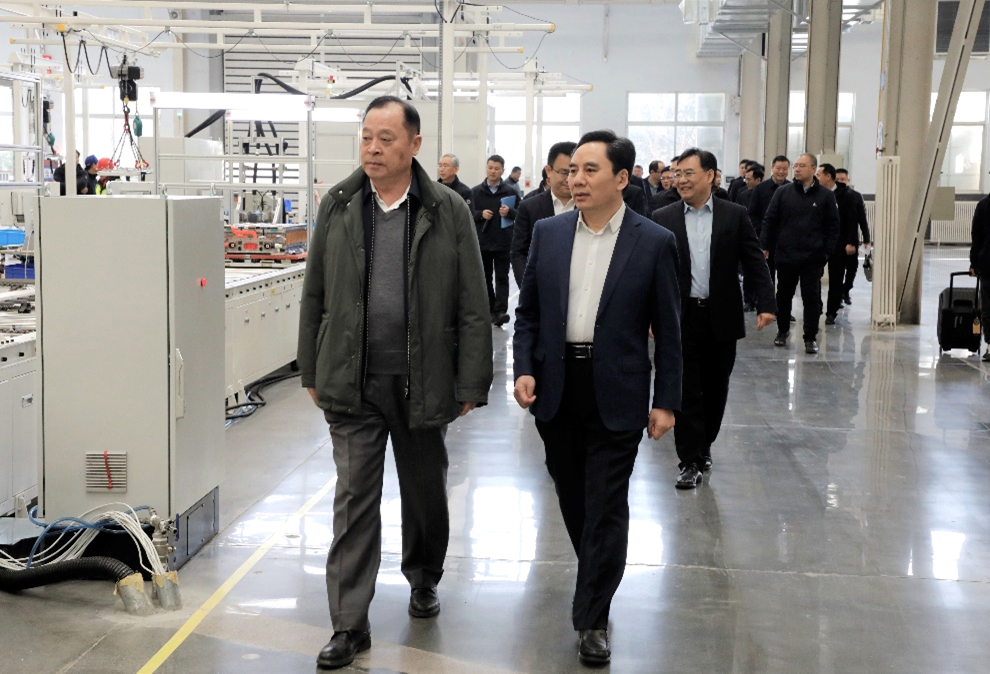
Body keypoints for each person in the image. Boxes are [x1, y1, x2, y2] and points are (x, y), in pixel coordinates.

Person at [297, 96, 493, 671]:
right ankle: (348, 624)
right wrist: (311, 367)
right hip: (353, 381)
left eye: (386, 138)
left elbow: (473, 301)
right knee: (354, 499)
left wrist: (470, 380)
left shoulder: (447, 209)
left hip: (423, 380)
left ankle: (423, 575)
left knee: (424, 491)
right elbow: (315, 292)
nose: (374, 148)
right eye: (367, 137)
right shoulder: (339, 204)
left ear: (414, 145)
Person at [513, 129, 681, 667]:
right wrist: (524, 369)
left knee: (606, 504)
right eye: (572, 171)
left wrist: (666, 400)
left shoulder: (653, 241)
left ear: (622, 178)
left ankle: (592, 618)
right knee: (572, 495)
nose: (576, 180)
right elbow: (528, 314)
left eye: (590, 170)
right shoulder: (549, 233)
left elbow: (670, 330)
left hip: (618, 389)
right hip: (557, 385)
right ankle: (598, 574)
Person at [652, 148, 775, 489]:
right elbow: (652, 272)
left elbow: (754, 260)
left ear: (710, 175)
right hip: (681, 317)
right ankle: (689, 460)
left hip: (721, 315)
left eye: (689, 173)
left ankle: (704, 444)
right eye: (678, 174)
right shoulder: (663, 217)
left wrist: (766, 303)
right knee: (686, 389)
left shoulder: (734, 215)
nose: (681, 180)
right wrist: (648, 314)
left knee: (716, 388)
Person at [760, 153, 839, 354]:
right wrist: (765, 245)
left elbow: (833, 226)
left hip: (812, 258)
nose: (797, 169)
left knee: (811, 298)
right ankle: (782, 331)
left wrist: (826, 252)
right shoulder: (783, 192)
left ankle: (810, 337)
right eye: (795, 165)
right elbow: (770, 219)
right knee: (783, 296)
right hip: (786, 255)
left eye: (802, 165)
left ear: (813, 168)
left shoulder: (825, 196)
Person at [511, 140, 576, 287]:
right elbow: (518, 253)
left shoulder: (589, 206)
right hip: (540, 288)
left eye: (574, 172)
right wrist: (528, 289)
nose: (568, 179)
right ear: (548, 171)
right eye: (563, 172)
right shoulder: (529, 207)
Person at [818, 164, 871, 324]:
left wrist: (854, 242)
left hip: (840, 244)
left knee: (838, 277)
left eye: (819, 174)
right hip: (820, 244)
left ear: (828, 177)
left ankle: (831, 312)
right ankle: (818, 307)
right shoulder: (818, 193)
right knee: (815, 277)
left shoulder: (849, 195)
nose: (816, 178)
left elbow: (853, 220)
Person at [472, 154, 519, 326]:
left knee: (502, 278)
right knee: (484, 278)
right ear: (486, 168)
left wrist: (510, 212)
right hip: (483, 242)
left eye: (496, 169)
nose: (493, 171)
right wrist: (480, 214)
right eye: (490, 168)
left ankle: (500, 311)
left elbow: (521, 214)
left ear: (502, 171)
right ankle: (490, 309)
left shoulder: (511, 192)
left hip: (503, 242)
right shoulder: (475, 192)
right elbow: (468, 214)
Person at [748, 155, 791, 282]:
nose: (781, 172)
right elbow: (752, 214)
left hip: (786, 241)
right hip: (765, 239)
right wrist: (762, 233)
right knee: (767, 276)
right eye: (778, 168)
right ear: (772, 168)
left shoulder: (792, 188)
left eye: (785, 169)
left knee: (786, 278)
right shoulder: (760, 189)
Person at [833, 168, 872, 305]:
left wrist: (866, 239)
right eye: (837, 180)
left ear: (848, 180)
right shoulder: (831, 196)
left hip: (851, 239)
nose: (840, 182)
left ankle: (846, 290)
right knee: (837, 271)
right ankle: (837, 297)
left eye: (842, 179)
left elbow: (862, 219)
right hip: (836, 240)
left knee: (852, 268)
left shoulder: (856, 196)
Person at [969, 192, 990, 361]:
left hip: (988, 263)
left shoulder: (983, 205)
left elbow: (976, 237)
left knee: (988, 307)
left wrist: (974, 263)